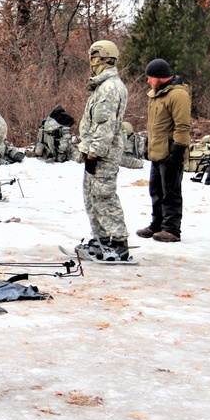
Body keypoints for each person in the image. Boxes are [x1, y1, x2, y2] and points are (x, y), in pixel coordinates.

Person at [75, 40, 131, 262]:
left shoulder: (110, 88)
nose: (91, 61)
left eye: (94, 56)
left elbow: (104, 125)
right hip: (96, 152)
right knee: (91, 197)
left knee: (104, 196)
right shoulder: (102, 86)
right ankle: (102, 238)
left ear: (105, 57)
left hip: (103, 154)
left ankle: (118, 242)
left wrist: (94, 152)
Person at [137, 58, 192, 242]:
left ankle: (171, 230)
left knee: (171, 193)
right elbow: (155, 126)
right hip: (157, 154)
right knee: (156, 191)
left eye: (150, 77)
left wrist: (177, 152)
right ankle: (157, 225)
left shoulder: (178, 95)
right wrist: (147, 146)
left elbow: (183, 126)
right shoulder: (155, 94)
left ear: (160, 78)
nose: (148, 81)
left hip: (170, 153)